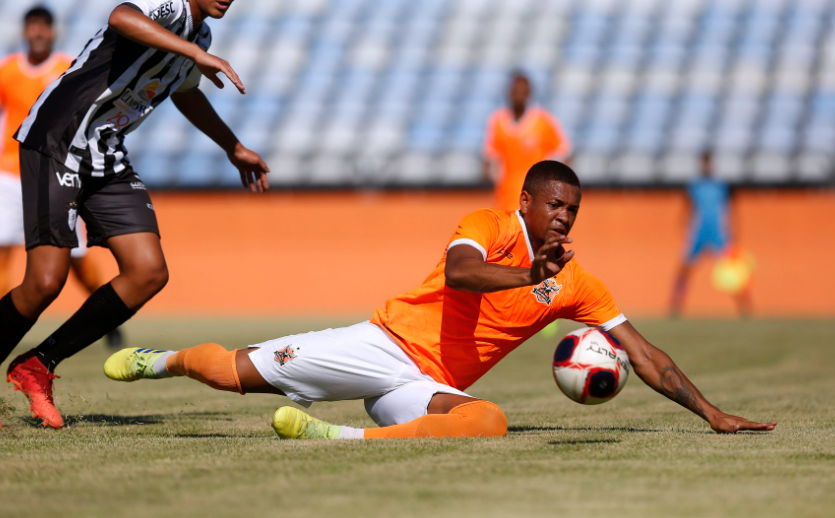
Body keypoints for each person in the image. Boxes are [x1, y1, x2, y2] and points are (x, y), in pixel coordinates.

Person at [105, 161, 776, 440]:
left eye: (573, 209)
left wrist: (712, 414)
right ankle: (159, 361)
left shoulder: (577, 284)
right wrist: (527, 276)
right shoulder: (489, 225)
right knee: (229, 372)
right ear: (527, 202)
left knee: (490, 422)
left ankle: (336, 437)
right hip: (384, 345)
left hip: (425, 386)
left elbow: (644, 354)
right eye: (555, 204)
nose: (564, 217)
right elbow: (461, 275)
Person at [0, 0, 270, 431]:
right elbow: (121, 17)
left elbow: (184, 93)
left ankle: (38, 365)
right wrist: (193, 53)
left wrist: (231, 145)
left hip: (105, 152)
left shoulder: (200, 38)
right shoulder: (169, 4)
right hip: (58, 137)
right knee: (45, 282)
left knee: (148, 271)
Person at [0, 6, 121, 349]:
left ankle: (106, 317)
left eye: (43, 27)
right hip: (10, 175)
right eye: (32, 26)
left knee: (76, 257)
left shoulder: (68, 68)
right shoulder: (5, 71)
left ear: (52, 31)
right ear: (24, 31)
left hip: (54, 173)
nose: (37, 33)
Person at [669, 152, 752, 318]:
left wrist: (734, 231)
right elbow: (687, 209)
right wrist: (683, 228)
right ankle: (675, 307)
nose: (706, 166)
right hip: (697, 233)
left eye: (708, 163)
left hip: (718, 234)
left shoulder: (722, 186)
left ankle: (744, 308)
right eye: (704, 163)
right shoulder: (694, 186)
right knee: (683, 270)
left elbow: (732, 209)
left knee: (732, 272)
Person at [483, 71, 571, 211]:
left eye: (522, 90)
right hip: (506, 198)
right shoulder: (498, 122)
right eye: (515, 90)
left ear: (529, 92)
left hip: (537, 197)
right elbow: (490, 157)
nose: (518, 94)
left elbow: (563, 153)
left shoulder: (543, 122)